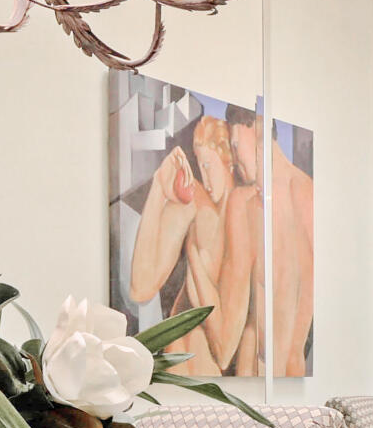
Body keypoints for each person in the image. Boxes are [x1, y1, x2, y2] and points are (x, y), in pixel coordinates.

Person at [128, 112, 255, 375]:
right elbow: (140, 289)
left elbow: (224, 352)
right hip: (175, 377)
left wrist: (195, 258)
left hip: (205, 382)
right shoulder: (195, 206)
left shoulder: (242, 228)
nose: (205, 180)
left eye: (208, 165)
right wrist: (158, 189)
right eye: (199, 165)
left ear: (228, 162)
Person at [230, 107, 316, 376]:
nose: (233, 159)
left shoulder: (301, 192)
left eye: (234, 145)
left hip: (286, 374)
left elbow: (309, 288)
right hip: (254, 371)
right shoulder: (247, 201)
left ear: (255, 131)